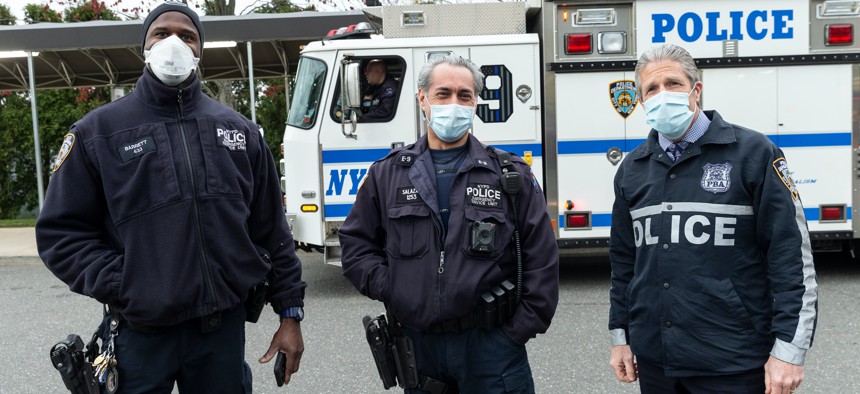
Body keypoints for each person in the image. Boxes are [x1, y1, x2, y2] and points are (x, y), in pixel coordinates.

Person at [36, 2, 306, 392]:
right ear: (144, 47)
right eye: (162, 33)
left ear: (200, 50)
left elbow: (272, 230)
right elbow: (60, 234)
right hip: (141, 335)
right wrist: (123, 282)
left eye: (188, 35)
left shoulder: (240, 132)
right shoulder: (98, 133)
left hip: (221, 337)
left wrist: (290, 313)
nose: (175, 42)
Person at [339, 55, 559, 393]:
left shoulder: (509, 174)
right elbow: (356, 245)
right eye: (443, 94)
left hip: (492, 348)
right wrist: (393, 287)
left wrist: (514, 334)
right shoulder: (387, 174)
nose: (454, 104)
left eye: (464, 95)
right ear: (422, 99)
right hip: (418, 347)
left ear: (475, 104)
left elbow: (542, 259)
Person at [608, 43, 818, 394]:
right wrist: (621, 337)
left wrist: (789, 352)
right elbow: (624, 263)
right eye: (652, 89)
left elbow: (790, 256)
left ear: (696, 89)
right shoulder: (632, 169)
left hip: (732, 362)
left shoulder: (753, 154)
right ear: (642, 102)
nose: (663, 95)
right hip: (657, 363)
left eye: (673, 84)